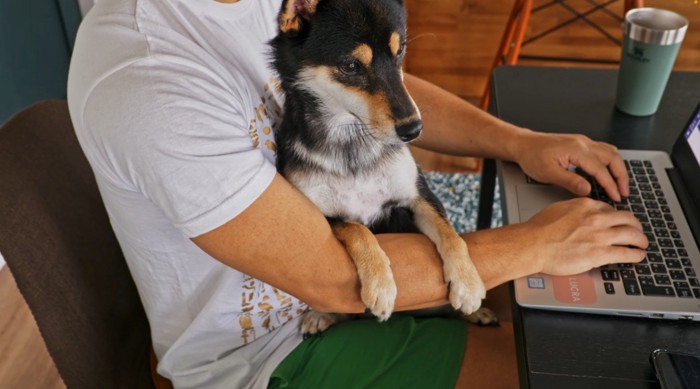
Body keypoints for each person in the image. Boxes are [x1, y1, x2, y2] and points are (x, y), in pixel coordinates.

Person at [67, 0, 648, 387]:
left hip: (355, 273)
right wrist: (538, 244)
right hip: (271, 350)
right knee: (566, 368)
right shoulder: (149, 76)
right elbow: (329, 277)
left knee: (576, 311)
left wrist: (518, 143)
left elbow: (373, 82)